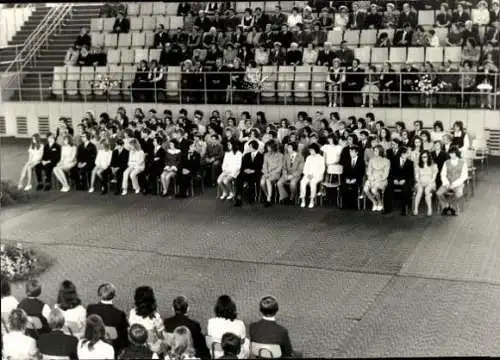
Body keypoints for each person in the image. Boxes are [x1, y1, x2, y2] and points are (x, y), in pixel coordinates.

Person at [86, 283, 130, 355]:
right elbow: (124, 338)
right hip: (113, 347)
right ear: (114, 295)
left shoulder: (90, 308)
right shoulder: (119, 314)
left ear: (99, 294)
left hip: (93, 342)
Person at [128, 286, 165, 354]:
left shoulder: (132, 313)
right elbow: (161, 336)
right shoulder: (156, 317)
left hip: (135, 343)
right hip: (151, 348)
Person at [436, 147, 468, 216]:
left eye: (453, 153)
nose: (451, 155)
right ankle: (446, 206)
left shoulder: (462, 162)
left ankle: (453, 207)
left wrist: (455, 184)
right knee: (438, 193)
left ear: (456, 153)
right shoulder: (446, 162)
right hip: (447, 183)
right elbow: (443, 174)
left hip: (458, 183)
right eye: (450, 153)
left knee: (459, 194)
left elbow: (464, 176)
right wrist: (446, 182)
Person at [234, 140, 264, 207]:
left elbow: (261, 167)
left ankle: (250, 197)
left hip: (255, 173)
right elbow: (243, 165)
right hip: (246, 172)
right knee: (239, 178)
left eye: (250, 146)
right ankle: (239, 197)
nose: (249, 148)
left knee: (252, 180)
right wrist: (245, 170)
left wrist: (253, 171)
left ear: (254, 147)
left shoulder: (261, 156)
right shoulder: (246, 155)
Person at [386, 147, 414, 216]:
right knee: (388, 188)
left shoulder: (410, 162)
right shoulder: (394, 160)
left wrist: (404, 180)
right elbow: (391, 173)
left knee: (405, 189)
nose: (407, 155)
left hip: (405, 180)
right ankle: (387, 208)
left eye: (407, 153)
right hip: (395, 179)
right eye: (406, 153)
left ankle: (404, 209)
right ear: (401, 154)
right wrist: (394, 180)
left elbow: (410, 175)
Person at [364, 145, 390, 212]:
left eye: (376, 151)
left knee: (373, 190)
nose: (374, 152)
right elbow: (369, 172)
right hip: (372, 178)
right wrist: (371, 178)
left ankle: (380, 202)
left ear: (380, 151)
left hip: (382, 179)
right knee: (365, 189)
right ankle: (374, 202)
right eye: (374, 150)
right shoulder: (371, 160)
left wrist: (377, 180)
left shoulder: (387, 161)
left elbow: (386, 174)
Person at [299, 143, 325, 209]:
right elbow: (305, 168)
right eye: (310, 150)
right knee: (302, 182)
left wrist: (314, 175)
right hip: (308, 175)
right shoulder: (308, 157)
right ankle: (303, 200)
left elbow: (322, 169)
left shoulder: (321, 158)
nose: (310, 151)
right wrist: (307, 174)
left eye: (312, 150)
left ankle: (311, 200)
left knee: (312, 183)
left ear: (315, 150)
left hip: (317, 176)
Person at [414, 150, 438, 216]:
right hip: (421, 182)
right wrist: (420, 182)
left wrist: (429, 183)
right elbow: (417, 177)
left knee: (427, 191)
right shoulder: (418, 165)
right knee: (420, 190)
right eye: (422, 157)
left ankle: (429, 209)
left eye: (425, 157)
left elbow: (434, 177)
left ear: (428, 157)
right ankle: (416, 209)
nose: (423, 158)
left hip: (431, 182)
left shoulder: (433, 165)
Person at [260, 141, 284, 207]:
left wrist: (270, 174)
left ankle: (269, 199)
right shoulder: (266, 155)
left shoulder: (280, 155)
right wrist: (266, 173)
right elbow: (264, 166)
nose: (268, 149)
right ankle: (267, 195)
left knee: (268, 180)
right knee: (262, 183)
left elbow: (280, 167)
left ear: (273, 147)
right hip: (267, 173)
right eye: (267, 147)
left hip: (276, 173)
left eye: (269, 147)